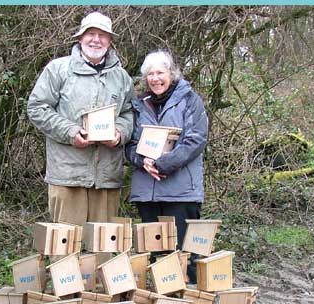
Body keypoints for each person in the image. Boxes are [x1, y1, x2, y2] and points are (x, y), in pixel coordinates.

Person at [27, 12, 134, 226]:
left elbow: (129, 112)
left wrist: (120, 133)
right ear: (80, 38)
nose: (96, 39)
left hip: (106, 177)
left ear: (110, 41)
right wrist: (70, 132)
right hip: (68, 175)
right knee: (66, 247)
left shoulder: (121, 77)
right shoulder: (58, 69)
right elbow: (37, 107)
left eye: (102, 35)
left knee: (103, 247)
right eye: (90, 34)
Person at [125, 50, 209, 284]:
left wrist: (163, 164)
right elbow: (129, 144)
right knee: (156, 254)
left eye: (160, 72)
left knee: (185, 254)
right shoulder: (139, 104)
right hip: (148, 192)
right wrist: (143, 161)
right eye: (150, 74)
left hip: (180, 192)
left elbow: (196, 139)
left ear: (171, 73)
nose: (155, 78)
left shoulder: (190, 100)